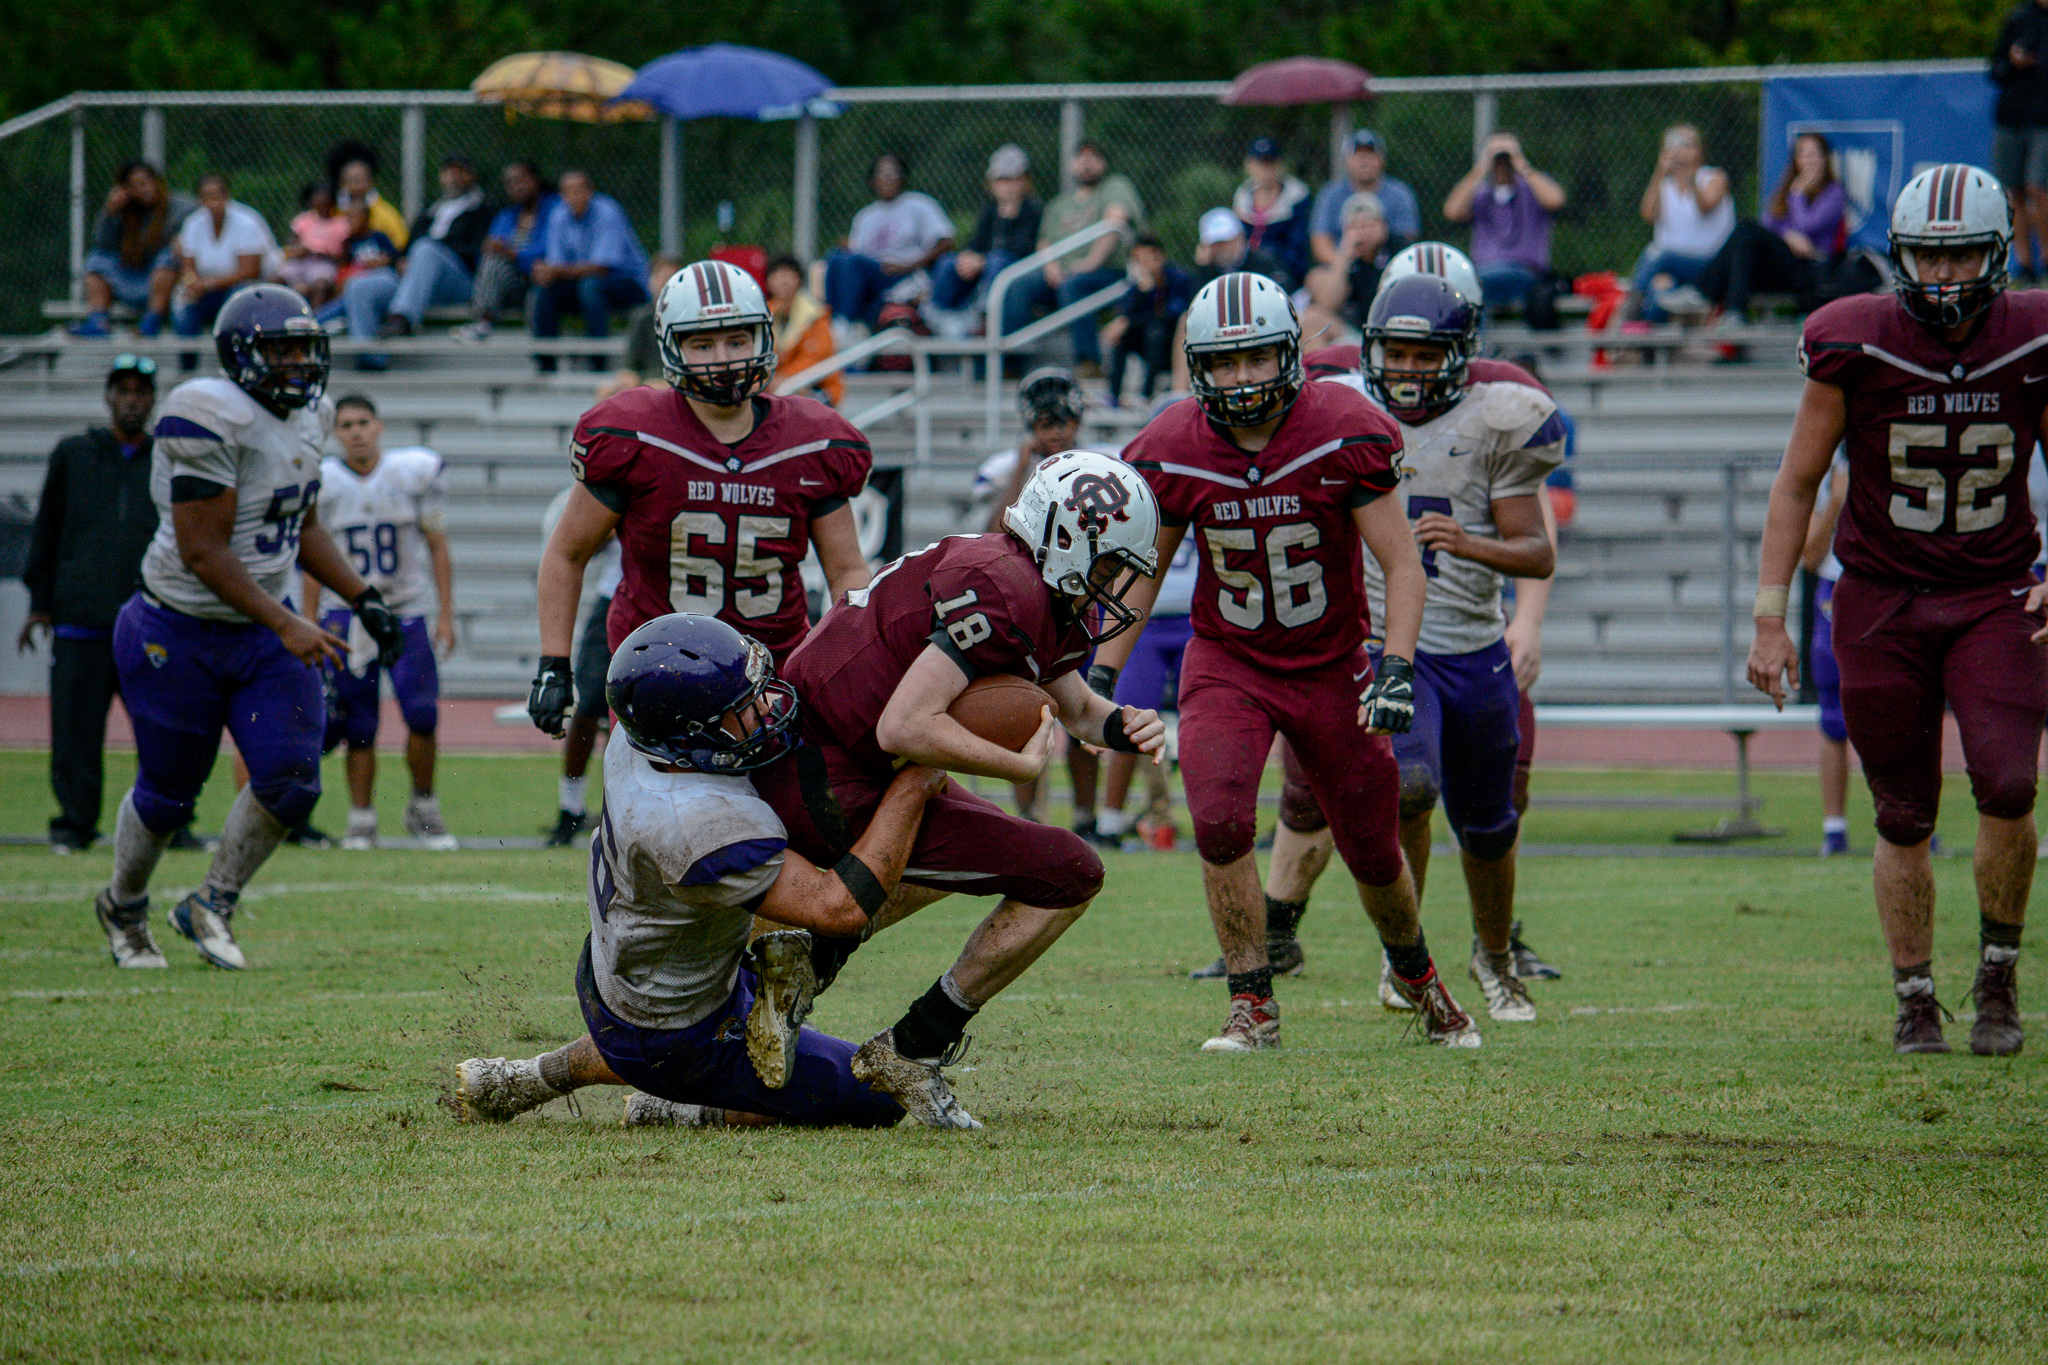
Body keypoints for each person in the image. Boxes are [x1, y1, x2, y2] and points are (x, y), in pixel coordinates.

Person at [1095, 271, 1478, 1052]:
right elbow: (1145, 570)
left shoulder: (1343, 426)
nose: (1240, 380)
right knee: (1221, 817)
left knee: (1373, 847)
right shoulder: (1174, 445)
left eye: (1257, 359)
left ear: (1291, 355)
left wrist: (1397, 665)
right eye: (1224, 364)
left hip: (1330, 663)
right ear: (1200, 368)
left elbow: (1402, 564)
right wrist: (1098, 674)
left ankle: (1416, 973)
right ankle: (1252, 1002)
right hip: (1229, 660)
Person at [748, 451, 1168, 1125]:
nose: (1114, 584)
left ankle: (807, 959)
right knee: (1070, 871)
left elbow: (1077, 706)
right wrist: (1019, 767)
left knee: (986, 853)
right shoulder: (1008, 590)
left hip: (837, 753)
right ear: (1067, 541)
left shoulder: (1024, 581)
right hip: (827, 771)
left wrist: (1122, 724)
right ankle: (911, 1045)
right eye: (1110, 563)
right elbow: (905, 724)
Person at [1747, 164, 2048, 1058]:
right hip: (1880, 596)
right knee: (1903, 810)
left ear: (1997, 257)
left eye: (1960, 259)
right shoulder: (1854, 340)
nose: (1942, 277)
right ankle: (1914, 994)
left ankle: (1997, 972)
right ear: (1898, 254)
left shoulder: (2032, 337)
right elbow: (1797, 482)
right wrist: (1770, 616)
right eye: (1926, 256)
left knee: (2006, 780)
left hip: (1995, 591)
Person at [454, 613, 953, 1130]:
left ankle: (528, 1076)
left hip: (623, 975)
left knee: (653, 1017)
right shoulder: (700, 823)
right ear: (692, 735)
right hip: (675, 1030)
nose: (765, 710)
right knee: (875, 1099)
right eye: (742, 708)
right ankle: (674, 1106)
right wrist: (915, 782)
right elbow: (839, 906)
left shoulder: (640, 739)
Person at [91, 286, 404, 972]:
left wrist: (364, 594)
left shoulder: (312, 413)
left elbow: (301, 520)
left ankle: (212, 901)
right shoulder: (207, 414)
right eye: (280, 348)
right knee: (170, 793)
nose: (297, 361)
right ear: (242, 355)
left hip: (260, 627)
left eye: (304, 347)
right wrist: (291, 620)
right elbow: (204, 551)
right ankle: (123, 901)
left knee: (293, 777)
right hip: (176, 627)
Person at [1305, 275, 1563, 1023]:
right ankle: (1404, 955)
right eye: (1397, 352)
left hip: (1474, 648)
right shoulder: (1344, 412)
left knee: (1488, 823)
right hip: (1392, 647)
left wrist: (1470, 542)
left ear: (1457, 355)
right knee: (1409, 786)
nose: (1410, 368)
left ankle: (1494, 954)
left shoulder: (1496, 419)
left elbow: (1537, 554)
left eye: (1426, 354)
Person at [529, 259, 875, 751]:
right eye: (703, 344)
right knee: (662, 821)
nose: (724, 359)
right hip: (656, 670)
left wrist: (843, 655)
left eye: (737, 341)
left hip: (773, 669)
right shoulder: (634, 433)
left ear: (764, 339)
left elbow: (846, 569)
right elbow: (567, 553)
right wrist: (553, 662)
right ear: (672, 348)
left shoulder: (813, 440)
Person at [19, 355, 164, 851]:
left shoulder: (167, 458)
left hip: (151, 623)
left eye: (141, 391)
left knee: (165, 731)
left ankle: (170, 822)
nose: (132, 399)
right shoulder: (73, 453)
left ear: (153, 399)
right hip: (82, 620)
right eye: (123, 389)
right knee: (75, 735)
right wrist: (40, 601)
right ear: (108, 396)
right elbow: (47, 530)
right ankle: (75, 824)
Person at [304, 393, 458, 852]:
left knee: (422, 715)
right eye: (346, 424)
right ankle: (361, 819)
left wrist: (445, 613)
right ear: (336, 433)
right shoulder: (323, 480)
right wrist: (310, 621)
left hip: (405, 611)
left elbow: (437, 545)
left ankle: (423, 808)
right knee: (358, 724)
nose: (355, 431)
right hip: (346, 616)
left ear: (379, 425)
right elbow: (311, 560)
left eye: (363, 422)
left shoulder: (412, 472)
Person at [970, 369, 1107, 841]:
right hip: (1028, 606)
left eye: (1061, 422)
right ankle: (1028, 822)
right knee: (1026, 716)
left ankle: (1087, 818)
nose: (1054, 433)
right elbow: (992, 533)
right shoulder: (1008, 467)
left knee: (1084, 716)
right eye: (1045, 423)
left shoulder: (1100, 467)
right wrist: (1023, 472)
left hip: (1084, 606)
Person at [1095, 527, 1198, 851]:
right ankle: (1109, 822)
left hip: (1197, 618)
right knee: (1127, 717)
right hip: (1142, 619)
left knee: (1208, 722)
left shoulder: (1203, 482)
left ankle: (1213, 821)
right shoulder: (1140, 492)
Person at [1020, 142, 1146, 375]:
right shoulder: (1060, 203)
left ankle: (1089, 362)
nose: (1087, 162)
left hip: (1109, 271)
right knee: (1019, 286)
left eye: (1094, 156)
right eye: (1080, 156)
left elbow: (1114, 223)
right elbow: (1044, 241)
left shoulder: (1114, 186)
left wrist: (1090, 263)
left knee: (1074, 285)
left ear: (1104, 163)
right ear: (1070, 164)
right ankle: (1007, 363)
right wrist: (1050, 266)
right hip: (1063, 274)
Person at [540, 487, 620, 849]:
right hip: (615, 598)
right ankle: (570, 808)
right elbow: (574, 546)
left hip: (672, 603)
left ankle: (630, 812)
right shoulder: (618, 478)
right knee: (588, 704)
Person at [341, 154, 491, 342]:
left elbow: (475, 252)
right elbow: (405, 249)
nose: (453, 177)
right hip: (416, 281)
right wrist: (399, 262)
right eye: (448, 172)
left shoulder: (483, 210)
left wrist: (428, 254)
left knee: (426, 248)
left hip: (458, 282)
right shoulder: (430, 212)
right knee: (359, 286)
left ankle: (402, 318)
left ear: (471, 176)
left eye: (459, 172)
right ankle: (368, 357)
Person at [1698, 132, 1848, 318]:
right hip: (1781, 264)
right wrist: (1787, 236)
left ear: (1825, 158)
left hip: (1808, 269)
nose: (1809, 160)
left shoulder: (1834, 193)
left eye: (1815, 154)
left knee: (1746, 228)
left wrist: (1797, 194)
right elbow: (1768, 225)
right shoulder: (1786, 189)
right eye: (1803, 154)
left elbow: (1807, 225)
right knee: (1745, 233)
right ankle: (1732, 310)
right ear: (1796, 160)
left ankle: (1709, 294)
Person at [823, 153, 955, 331]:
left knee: (851, 262)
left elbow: (946, 242)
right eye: (882, 174)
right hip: (874, 274)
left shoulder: (918, 204)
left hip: (906, 276)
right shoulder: (865, 216)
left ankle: (845, 325)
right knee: (835, 257)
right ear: (872, 181)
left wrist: (908, 265)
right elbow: (857, 254)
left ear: (903, 177)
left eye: (892, 173)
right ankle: (835, 322)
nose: (887, 179)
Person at [530, 170, 650, 363]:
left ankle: (598, 360)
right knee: (545, 290)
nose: (575, 196)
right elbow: (556, 265)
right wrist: (544, 273)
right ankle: (545, 363)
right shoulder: (558, 215)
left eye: (579, 190)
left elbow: (603, 267)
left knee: (591, 286)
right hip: (582, 284)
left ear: (590, 191)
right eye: (569, 191)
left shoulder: (607, 212)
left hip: (627, 283)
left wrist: (555, 271)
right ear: (562, 195)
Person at [1442, 132, 1565, 311]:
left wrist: (1521, 164)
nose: (1501, 162)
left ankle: (1477, 338)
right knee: (1468, 284)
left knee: (1473, 285)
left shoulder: (1531, 190)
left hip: (1525, 272)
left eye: (1505, 157)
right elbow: (1452, 212)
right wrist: (1480, 169)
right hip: (1484, 271)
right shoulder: (1481, 194)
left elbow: (1556, 200)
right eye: (1496, 157)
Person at [1801, 452, 1854, 857]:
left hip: (1896, 586)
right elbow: (1810, 556)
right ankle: (1834, 828)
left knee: (1905, 709)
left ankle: (1916, 819)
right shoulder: (1830, 464)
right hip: (1837, 592)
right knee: (1833, 714)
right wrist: (1837, 501)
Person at [73, 163, 188, 338]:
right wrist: (110, 211)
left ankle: (151, 322)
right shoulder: (124, 211)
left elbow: (197, 226)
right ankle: (98, 322)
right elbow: (102, 244)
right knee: (96, 260)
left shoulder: (179, 207)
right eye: (135, 186)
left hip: (161, 279)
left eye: (146, 183)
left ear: (157, 182)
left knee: (169, 257)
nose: (143, 189)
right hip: (131, 274)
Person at [1631, 125, 1733, 322]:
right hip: (1673, 269)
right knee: (1658, 295)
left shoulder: (1714, 178)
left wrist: (1690, 176)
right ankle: (1647, 346)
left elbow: (1706, 206)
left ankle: (1631, 304)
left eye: (1687, 144)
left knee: (1657, 254)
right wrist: (1660, 172)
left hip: (1709, 266)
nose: (1681, 151)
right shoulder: (1664, 186)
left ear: (1699, 150)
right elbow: (1647, 214)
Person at [931, 145, 1042, 324]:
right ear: (991, 183)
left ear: (1024, 181)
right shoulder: (990, 210)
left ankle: (984, 313)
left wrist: (982, 261)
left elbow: (1023, 248)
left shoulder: (1033, 211)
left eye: (1012, 179)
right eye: (1001, 180)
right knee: (948, 262)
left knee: (997, 260)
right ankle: (937, 314)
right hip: (984, 267)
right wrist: (967, 256)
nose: (1006, 186)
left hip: (1013, 271)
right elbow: (976, 241)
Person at [455, 162, 555, 342]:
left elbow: (552, 249)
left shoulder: (555, 209)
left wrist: (513, 254)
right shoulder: (506, 216)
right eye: (509, 184)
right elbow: (485, 257)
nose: (515, 188)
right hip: (511, 285)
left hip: (542, 278)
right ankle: (483, 321)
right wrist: (491, 247)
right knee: (492, 258)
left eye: (520, 181)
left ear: (535, 180)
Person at [172, 175, 275, 342]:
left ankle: (234, 355)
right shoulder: (193, 223)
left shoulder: (247, 222)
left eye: (217, 196)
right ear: (200, 199)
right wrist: (192, 283)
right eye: (207, 196)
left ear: (227, 196)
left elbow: (250, 271)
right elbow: (188, 266)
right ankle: (187, 362)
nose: (213, 202)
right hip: (206, 288)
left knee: (237, 297)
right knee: (183, 301)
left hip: (240, 286)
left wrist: (208, 284)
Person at [1992, 0, 2048, 284]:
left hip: (2044, 122)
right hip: (2011, 119)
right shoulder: (2018, 18)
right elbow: (1995, 70)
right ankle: (2025, 265)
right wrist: (2013, 62)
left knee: (2039, 188)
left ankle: (2047, 260)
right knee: (2013, 192)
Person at [1298, 192, 1401, 343]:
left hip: (1396, 336)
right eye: (1354, 227)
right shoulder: (1345, 260)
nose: (1361, 233)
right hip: (1358, 337)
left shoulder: (1398, 252)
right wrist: (1344, 256)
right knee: (1312, 318)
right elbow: (1327, 302)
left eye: (1367, 225)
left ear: (1383, 227)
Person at [1104, 234, 1193, 406]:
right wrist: (1142, 292)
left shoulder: (1179, 279)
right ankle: (1113, 395)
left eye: (1148, 257)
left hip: (1172, 346)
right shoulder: (1137, 286)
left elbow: (1171, 316)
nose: (1145, 264)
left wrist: (1130, 321)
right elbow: (1126, 312)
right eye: (1138, 260)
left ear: (1160, 256)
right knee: (1121, 337)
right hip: (1146, 342)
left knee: (1156, 333)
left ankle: (1146, 394)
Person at [1311, 129, 1421, 266]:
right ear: (1346, 160)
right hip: (1343, 267)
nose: (1364, 160)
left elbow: (1408, 238)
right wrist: (1345, 263)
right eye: (1358, 154)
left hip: (1388, 266)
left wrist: (1381, 237)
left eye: (1370, 153)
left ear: (1382, 159)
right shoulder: (1330, 194)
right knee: (1315, 279)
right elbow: (1320, 241)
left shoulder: (1400, 193)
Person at [595, 255, 684, 401]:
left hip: (673, 380)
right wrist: (627, 376)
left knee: (652, 387)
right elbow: (630, 362)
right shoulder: (642, 317)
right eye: (660, 276)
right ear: (650, 282)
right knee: (604, 392)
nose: (664, 282)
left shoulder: (687, 317)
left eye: (670, 277)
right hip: (643, 379)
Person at [1233, 138, 1314, 289]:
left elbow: (1297, 250)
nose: (1265, 169)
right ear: (1249, 165)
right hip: (1247, 273)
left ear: (1279, 164)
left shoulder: (1297, 197)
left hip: (1286, 275)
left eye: (1269, 162)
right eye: (1259, 163)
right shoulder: (1242, 196)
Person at [764, 255, 842, 407]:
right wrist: (771, 381)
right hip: (775, 386)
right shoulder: (762, 314)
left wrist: (785, 378)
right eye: (777, 275)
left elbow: (815, 357)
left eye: (788, 274)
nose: (783, 280)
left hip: (815, 385)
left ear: (799, 280)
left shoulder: (816, 314)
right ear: (768, 282)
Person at [277, 181, 348, 309]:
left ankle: (314, 320)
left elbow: (342, 255)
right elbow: (292, 245)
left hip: (323, 263)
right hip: (300, 262)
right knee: (278, 278)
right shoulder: (303, 220)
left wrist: (316, 252)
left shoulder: (340, 224)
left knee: (320, 285)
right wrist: (297, 251)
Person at [331, 150, 409, 251]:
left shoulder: (386, 214)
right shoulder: (333, 211)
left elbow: (400, 244)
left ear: (370, 181)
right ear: (342, 183)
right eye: (350, 180)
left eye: (359, 180)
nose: (355, 186)